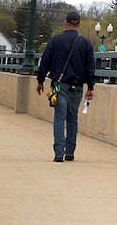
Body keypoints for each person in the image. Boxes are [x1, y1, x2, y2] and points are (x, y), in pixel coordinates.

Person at [36, 11, 95, 162]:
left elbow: (45, 62)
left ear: (65, 23)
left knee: (59, 118)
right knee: (72, 118)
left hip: (59, 86)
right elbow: (90, 68)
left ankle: (58, 154)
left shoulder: (55, 41)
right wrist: (90, 87)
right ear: (79, 25)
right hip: (77, 87)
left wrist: (40, 80)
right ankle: (70, 152)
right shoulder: (86, 43)